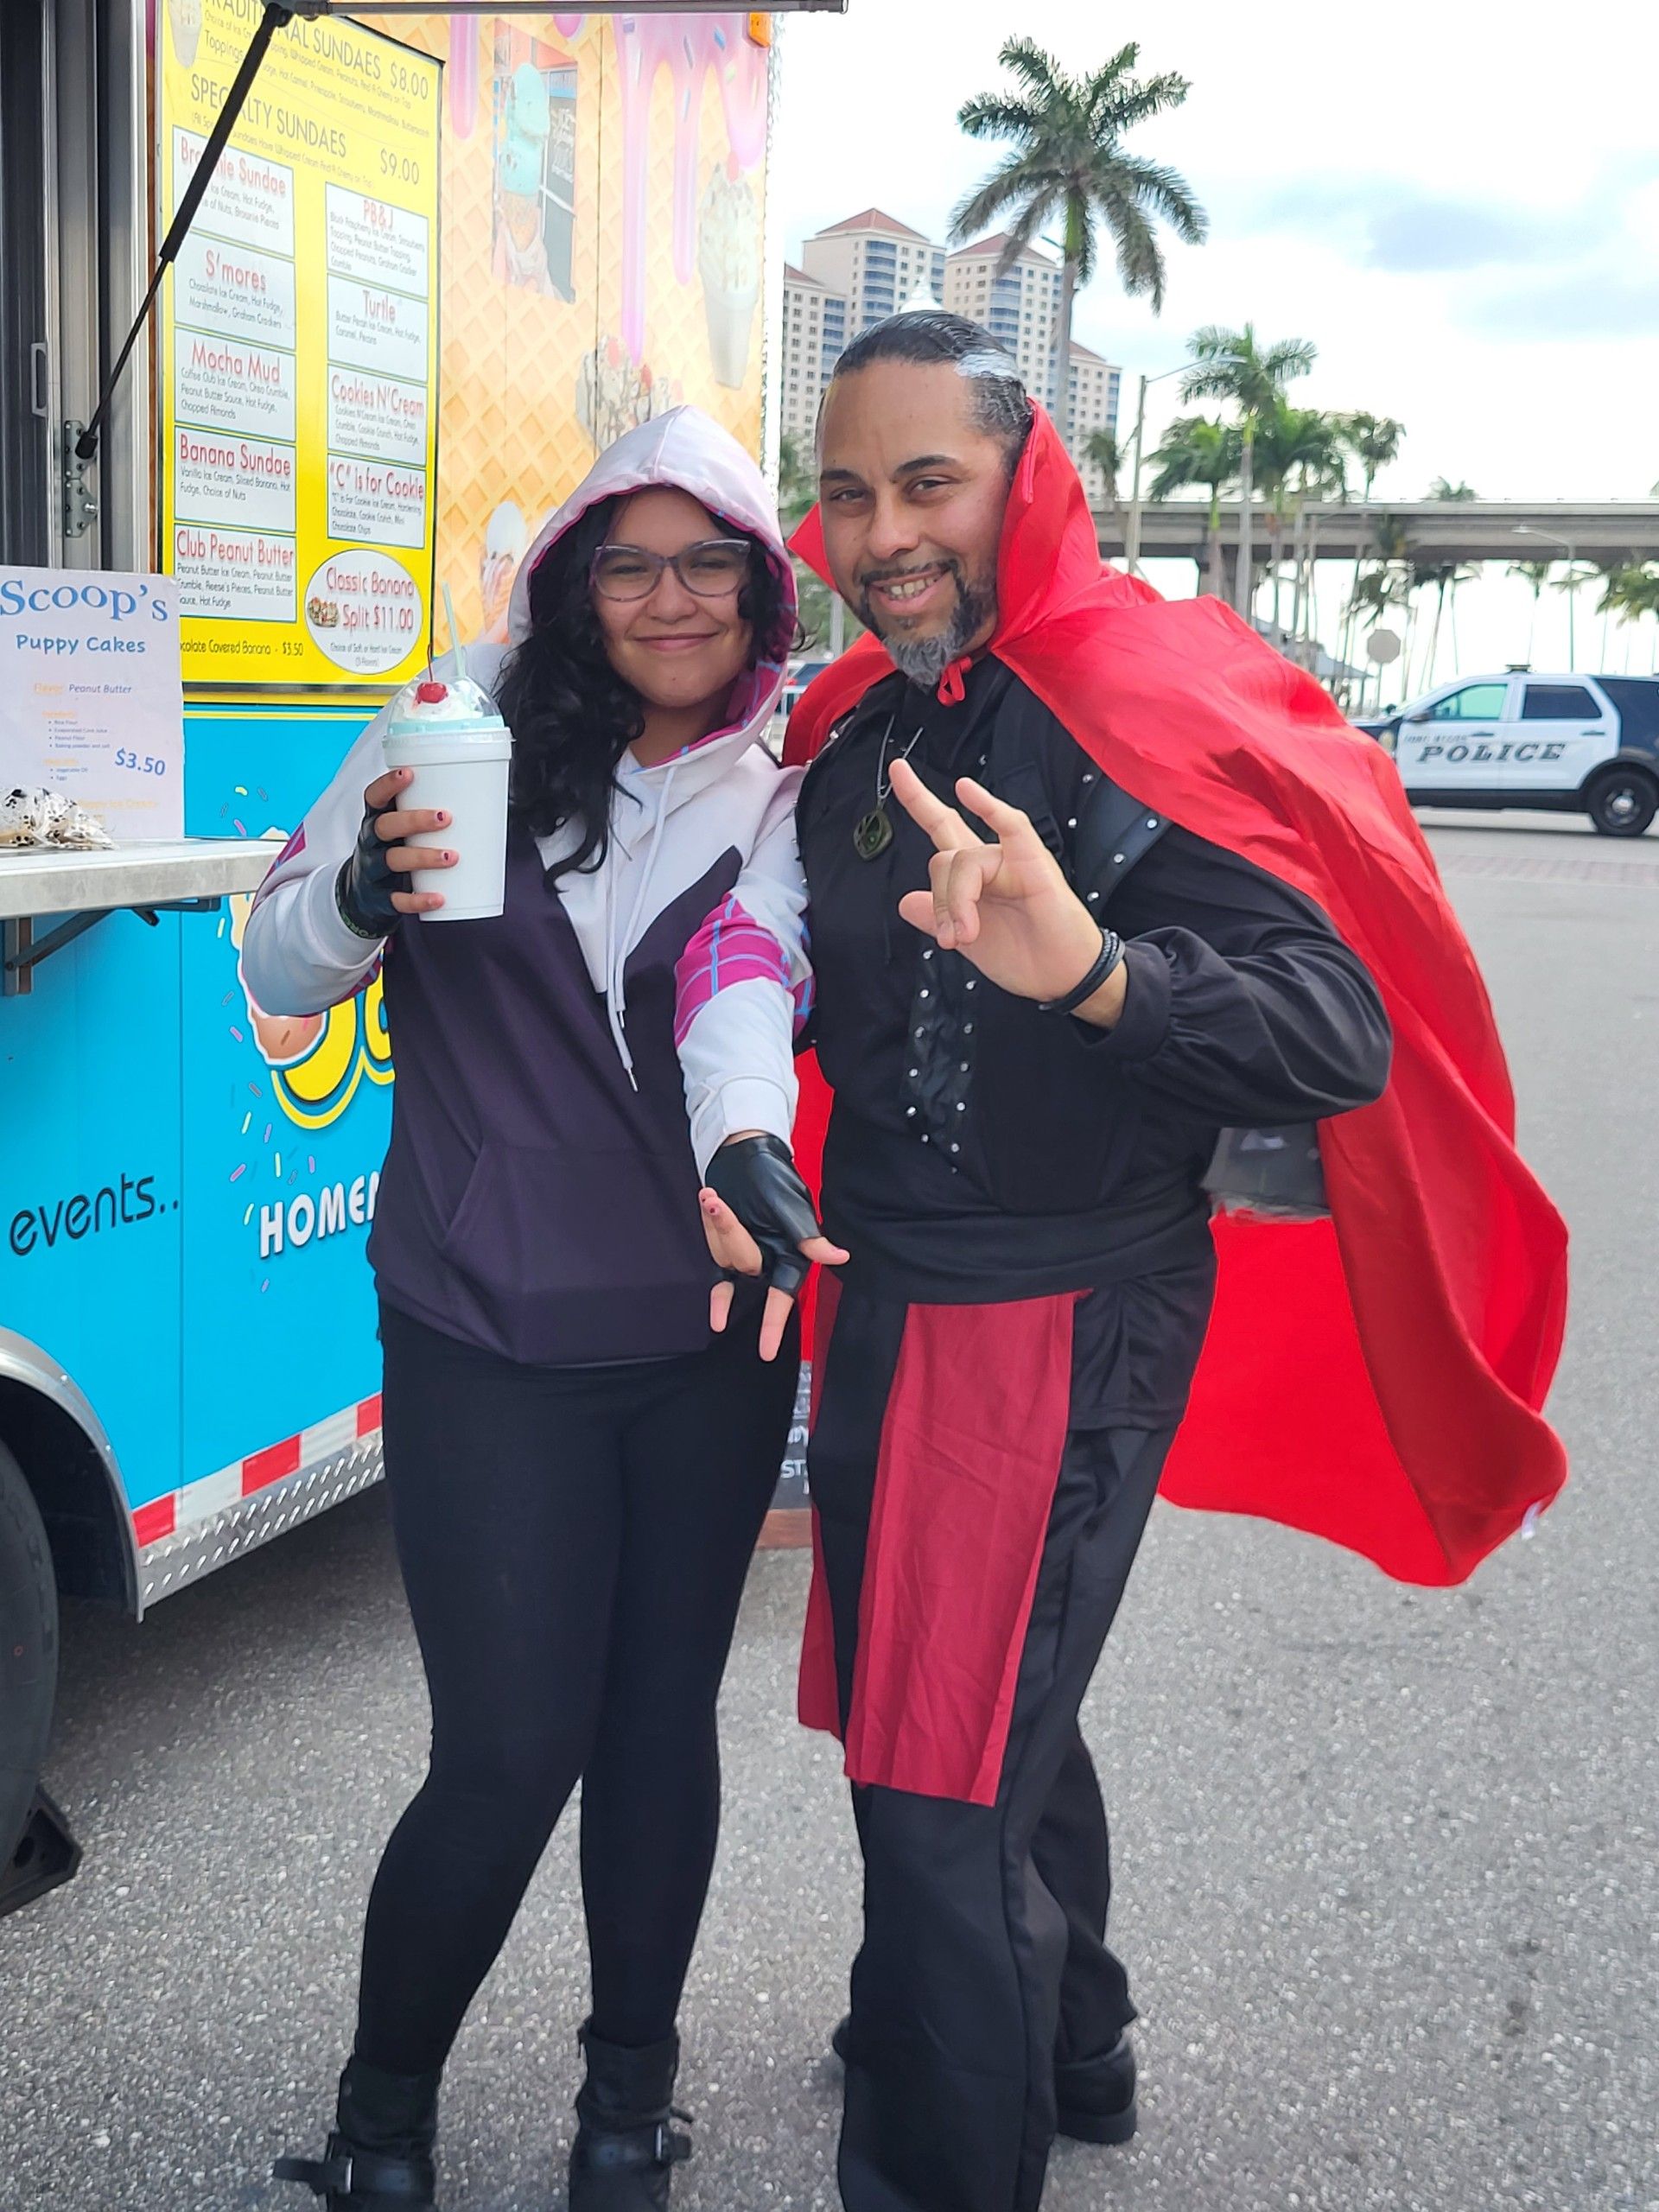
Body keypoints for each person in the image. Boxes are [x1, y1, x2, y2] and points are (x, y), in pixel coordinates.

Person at [690, 313, 1567, 2212]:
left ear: (1027, 477)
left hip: (1066, 1310)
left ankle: (948, 2135)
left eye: (929, 481)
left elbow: (1337, 1030)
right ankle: (1064, 2034)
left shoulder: (1142, 698)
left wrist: (1098, 972)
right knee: (974, 1708)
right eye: (848, 492)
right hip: (894, 1297)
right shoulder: (853, 719)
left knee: (933, 1778)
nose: (884, 530)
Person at [243, 408, 834, 2212]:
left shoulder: (790, 765)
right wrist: (353, 893)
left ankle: (621, 2108)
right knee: (508, 1744)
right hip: (488, 1322)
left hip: (711, 1328)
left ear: (760, 582)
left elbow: (756, 969)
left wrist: (748, 1140)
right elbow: (271, 962)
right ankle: (384, 2116)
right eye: (630, 560)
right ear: (574, 575)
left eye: (707, 561)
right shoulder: (456, 718)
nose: (671, 599)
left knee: (661, 1712)